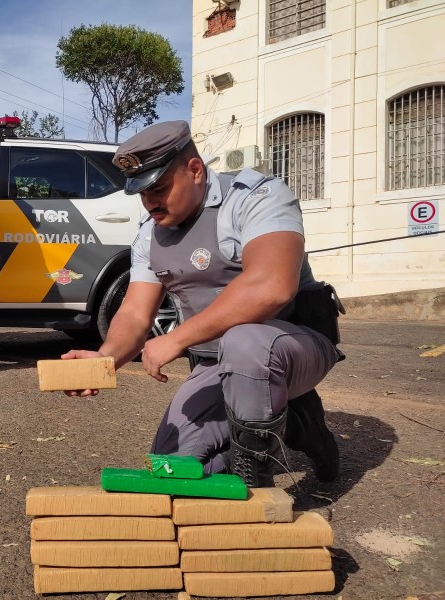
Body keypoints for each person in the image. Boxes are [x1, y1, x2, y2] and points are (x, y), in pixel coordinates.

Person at [62, 120, 343, 487]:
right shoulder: (150, 234)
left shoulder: (255, 197)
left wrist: (178, 338)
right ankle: (281, 421)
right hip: (215, 364)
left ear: (194, 170)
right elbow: (134, 312)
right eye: (142, 194)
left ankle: (264, 475)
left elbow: (271, 287)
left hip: (293, 348)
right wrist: (107, 358)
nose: (150, 203)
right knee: (172, 471)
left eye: (159, 188)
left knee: (246, 343)